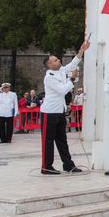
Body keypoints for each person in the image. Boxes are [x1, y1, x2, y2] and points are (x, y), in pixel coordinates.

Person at [39, 39, 90, 174]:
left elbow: (71, 65)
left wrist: (81, 51)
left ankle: (68, 164)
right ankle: (46, 166)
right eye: (55, 60)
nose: (59, 61)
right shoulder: (49, 77)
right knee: (48, 141)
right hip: (49, 112)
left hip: (59, 111)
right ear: (49, 64)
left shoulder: (61, 70)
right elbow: (62, 90)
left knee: (62, 140)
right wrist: (72, 79)